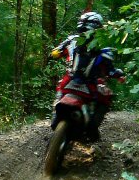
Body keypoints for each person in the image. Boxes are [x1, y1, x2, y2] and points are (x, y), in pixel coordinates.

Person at [49, 11, 125, 142]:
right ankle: (92, 130)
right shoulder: (104, 48)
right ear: (98, 27)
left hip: (69, 82)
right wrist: (119, 74)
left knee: (60, 91)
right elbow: (111, 71)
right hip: (89, 85)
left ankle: (57, 118)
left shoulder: (71, 41)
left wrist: (57, 54)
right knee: (106, 97)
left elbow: (54, 53)